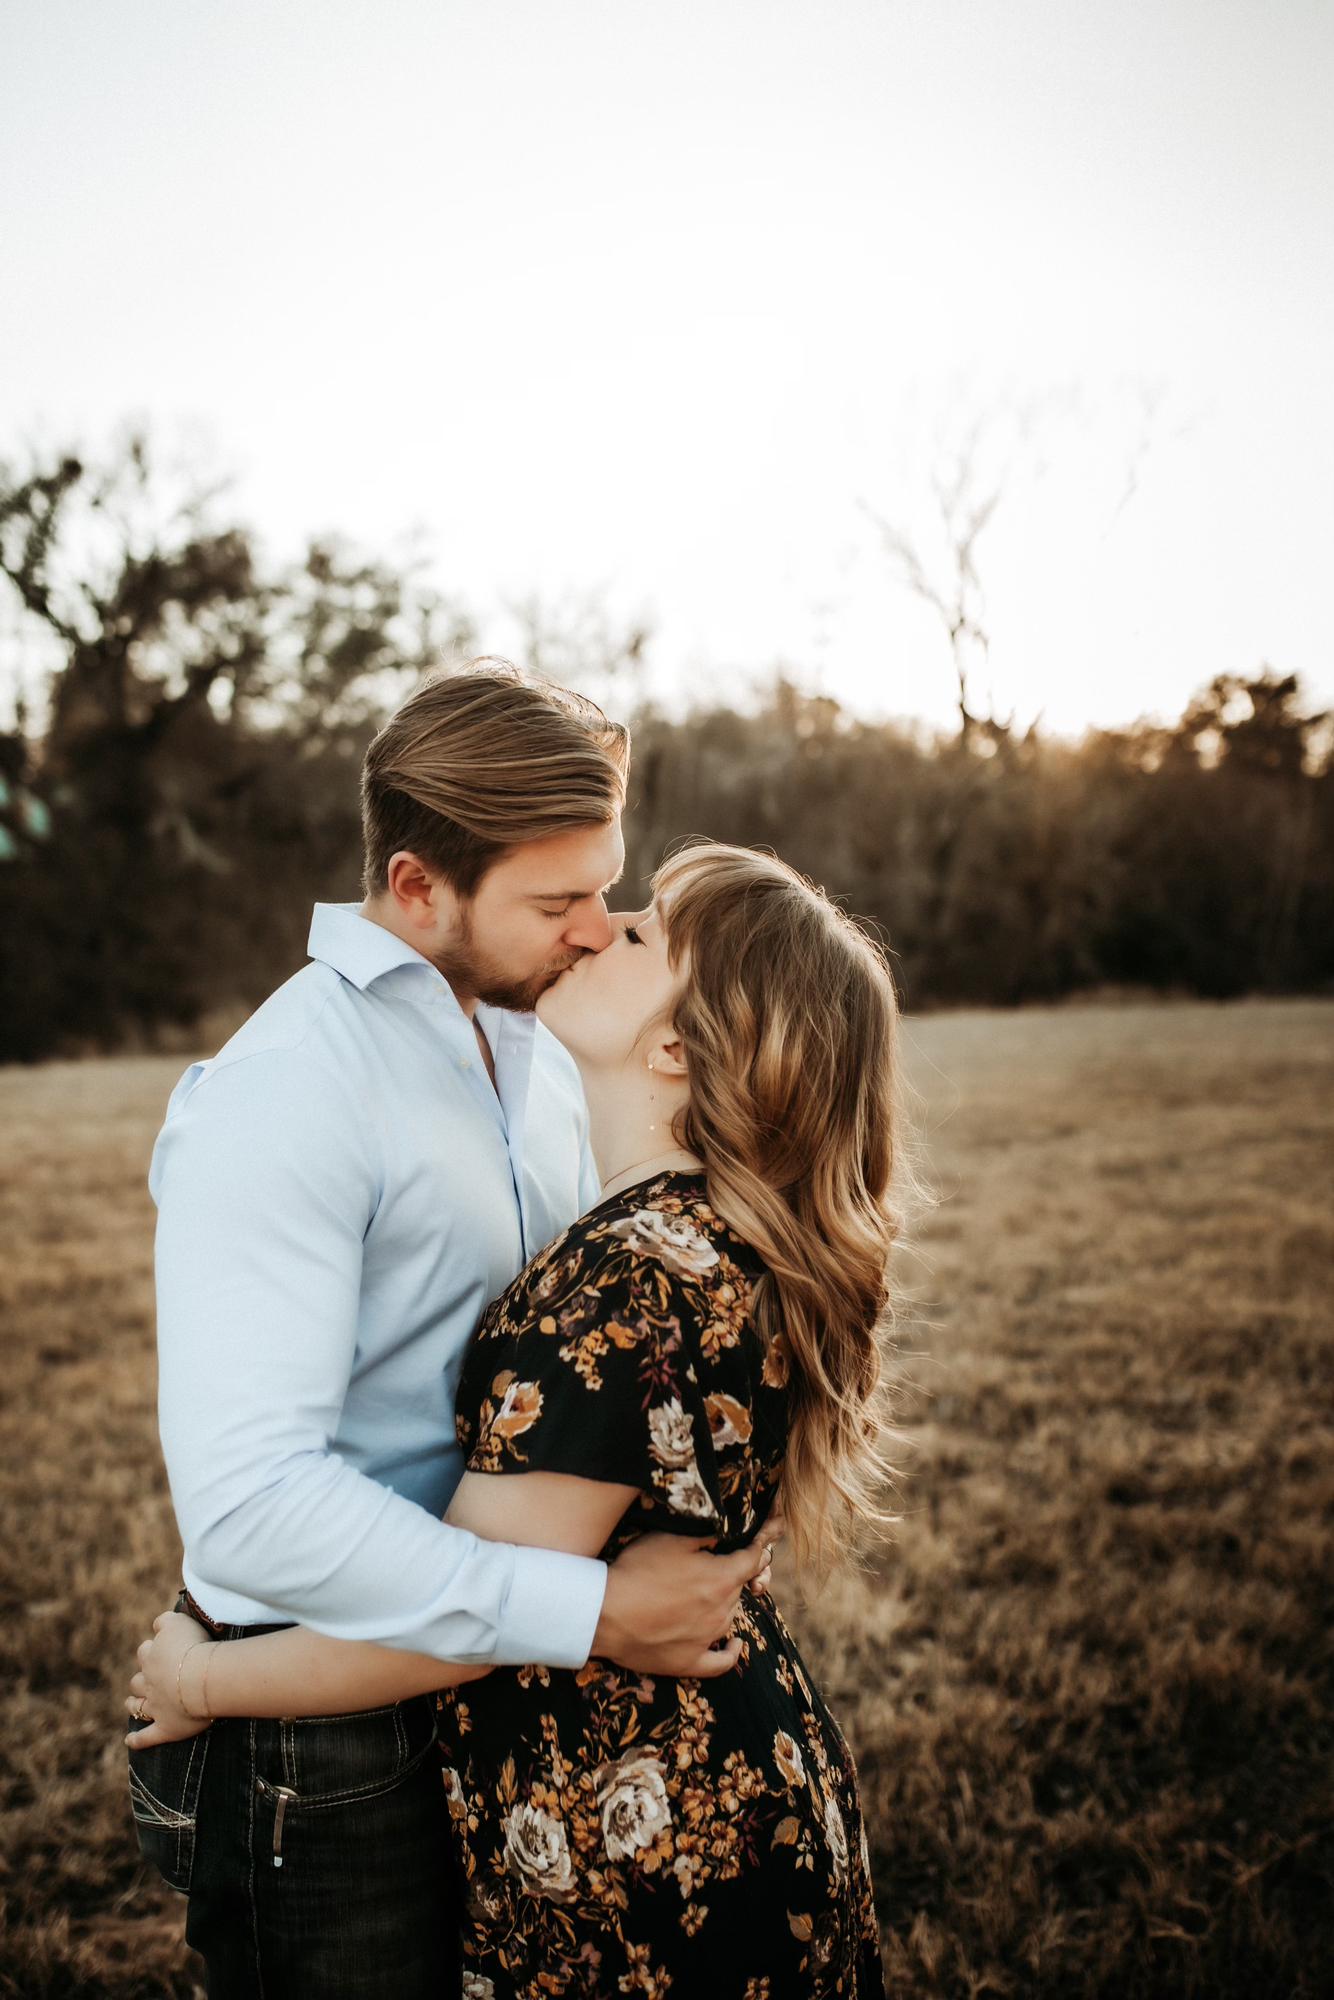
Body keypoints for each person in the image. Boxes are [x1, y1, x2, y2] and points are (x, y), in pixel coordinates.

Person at [130, 840, 900, 1998]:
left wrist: (201, 1685)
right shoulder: (716, 1232)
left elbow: (457, 1623)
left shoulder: (627, 1278)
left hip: (648, 1837)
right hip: (749, 1779)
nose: (596, 925)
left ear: (676, 1045)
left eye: (639, 929)